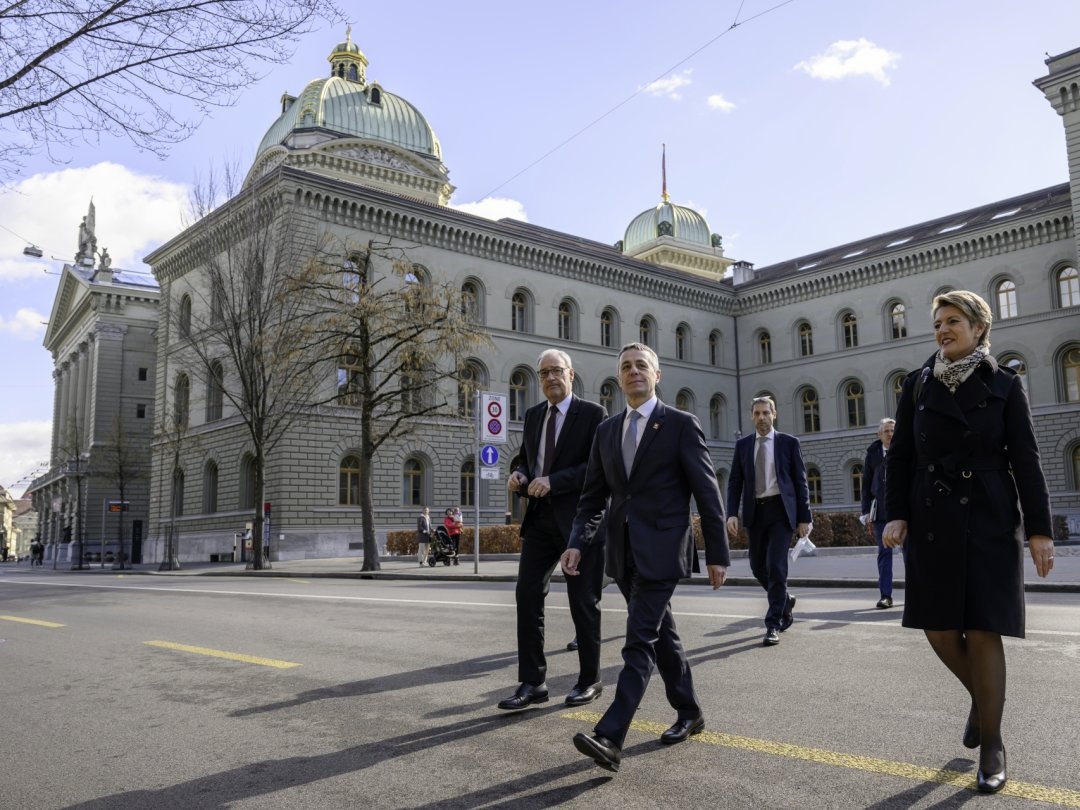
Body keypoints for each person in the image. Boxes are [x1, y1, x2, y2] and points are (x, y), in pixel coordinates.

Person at [883, 290, 1054, 795]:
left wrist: (1040, 530)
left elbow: (1027, 458)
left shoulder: (1004, 384)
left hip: (989, 518)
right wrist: (895, 514)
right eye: (937, 323)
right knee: (937, 628)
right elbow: (901, 459)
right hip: (932, 514)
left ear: (980, 327)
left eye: (952, 321)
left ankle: (993, 743)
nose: (942, 330)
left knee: (982, 631)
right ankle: (983, 702)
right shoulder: (916, 386)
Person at [561, 342, 729, 773]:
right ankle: (690, 712)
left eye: (642, 366)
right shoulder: (607, 430)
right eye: (626, 367)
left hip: (664, 548)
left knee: (639, 641)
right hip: (623, 552)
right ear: (619, 379)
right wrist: (578, 540)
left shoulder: (679, 424)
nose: (634, 372)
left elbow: (708, 494)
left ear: (657, 376)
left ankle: (610, 736)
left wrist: (717, 553)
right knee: (662, 636)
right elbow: (593, 497)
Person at [500, 349, 607, 712]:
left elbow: (596, 469)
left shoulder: (593, 414)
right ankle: (533, 682)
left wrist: (553, 481)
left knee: (583, 602)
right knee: (527, 597)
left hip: (579, 521)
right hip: (540, 521)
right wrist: (522, 475)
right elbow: (530, 461)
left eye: (555, 371)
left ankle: (589, 680)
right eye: (543, 373)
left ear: (571, 374)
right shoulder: (533, 416)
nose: (549, 378)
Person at [725, 396, 811, 646]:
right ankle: (785, 599)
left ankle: (774, 623)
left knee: (776, 567)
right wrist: (732, 513)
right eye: (757, 414)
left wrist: (804, 518)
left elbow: (801, 481)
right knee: (756, 567)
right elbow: (734, 482)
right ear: (752, 416)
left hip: (781, 513)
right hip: (756, 513)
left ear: (774, 415)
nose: (761, 418)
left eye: (765, 413)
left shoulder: (788, 443)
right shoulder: (743, 446)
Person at [862, 418, 896, 609]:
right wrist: (866, 511)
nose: (890, 434)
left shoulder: (905, 450)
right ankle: (886, 596)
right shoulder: (872, 455)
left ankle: (916, 596)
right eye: (886, 431)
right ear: (879, 434)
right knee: (884, 554)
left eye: (892, 431)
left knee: (911, 556)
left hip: (904, 513)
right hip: (881, 513)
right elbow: (866, 485)